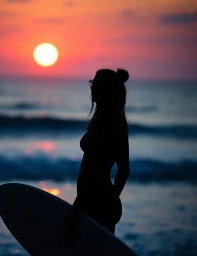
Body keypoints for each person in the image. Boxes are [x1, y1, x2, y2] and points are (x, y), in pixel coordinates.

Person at [64, 68, 130, 240]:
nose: (91, 88)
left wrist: (110, 200)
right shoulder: (100, 120)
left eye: (94, 84)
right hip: (89, 200)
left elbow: (123, 170)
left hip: (98, 204)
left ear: (105, 91)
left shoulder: (115, 124)